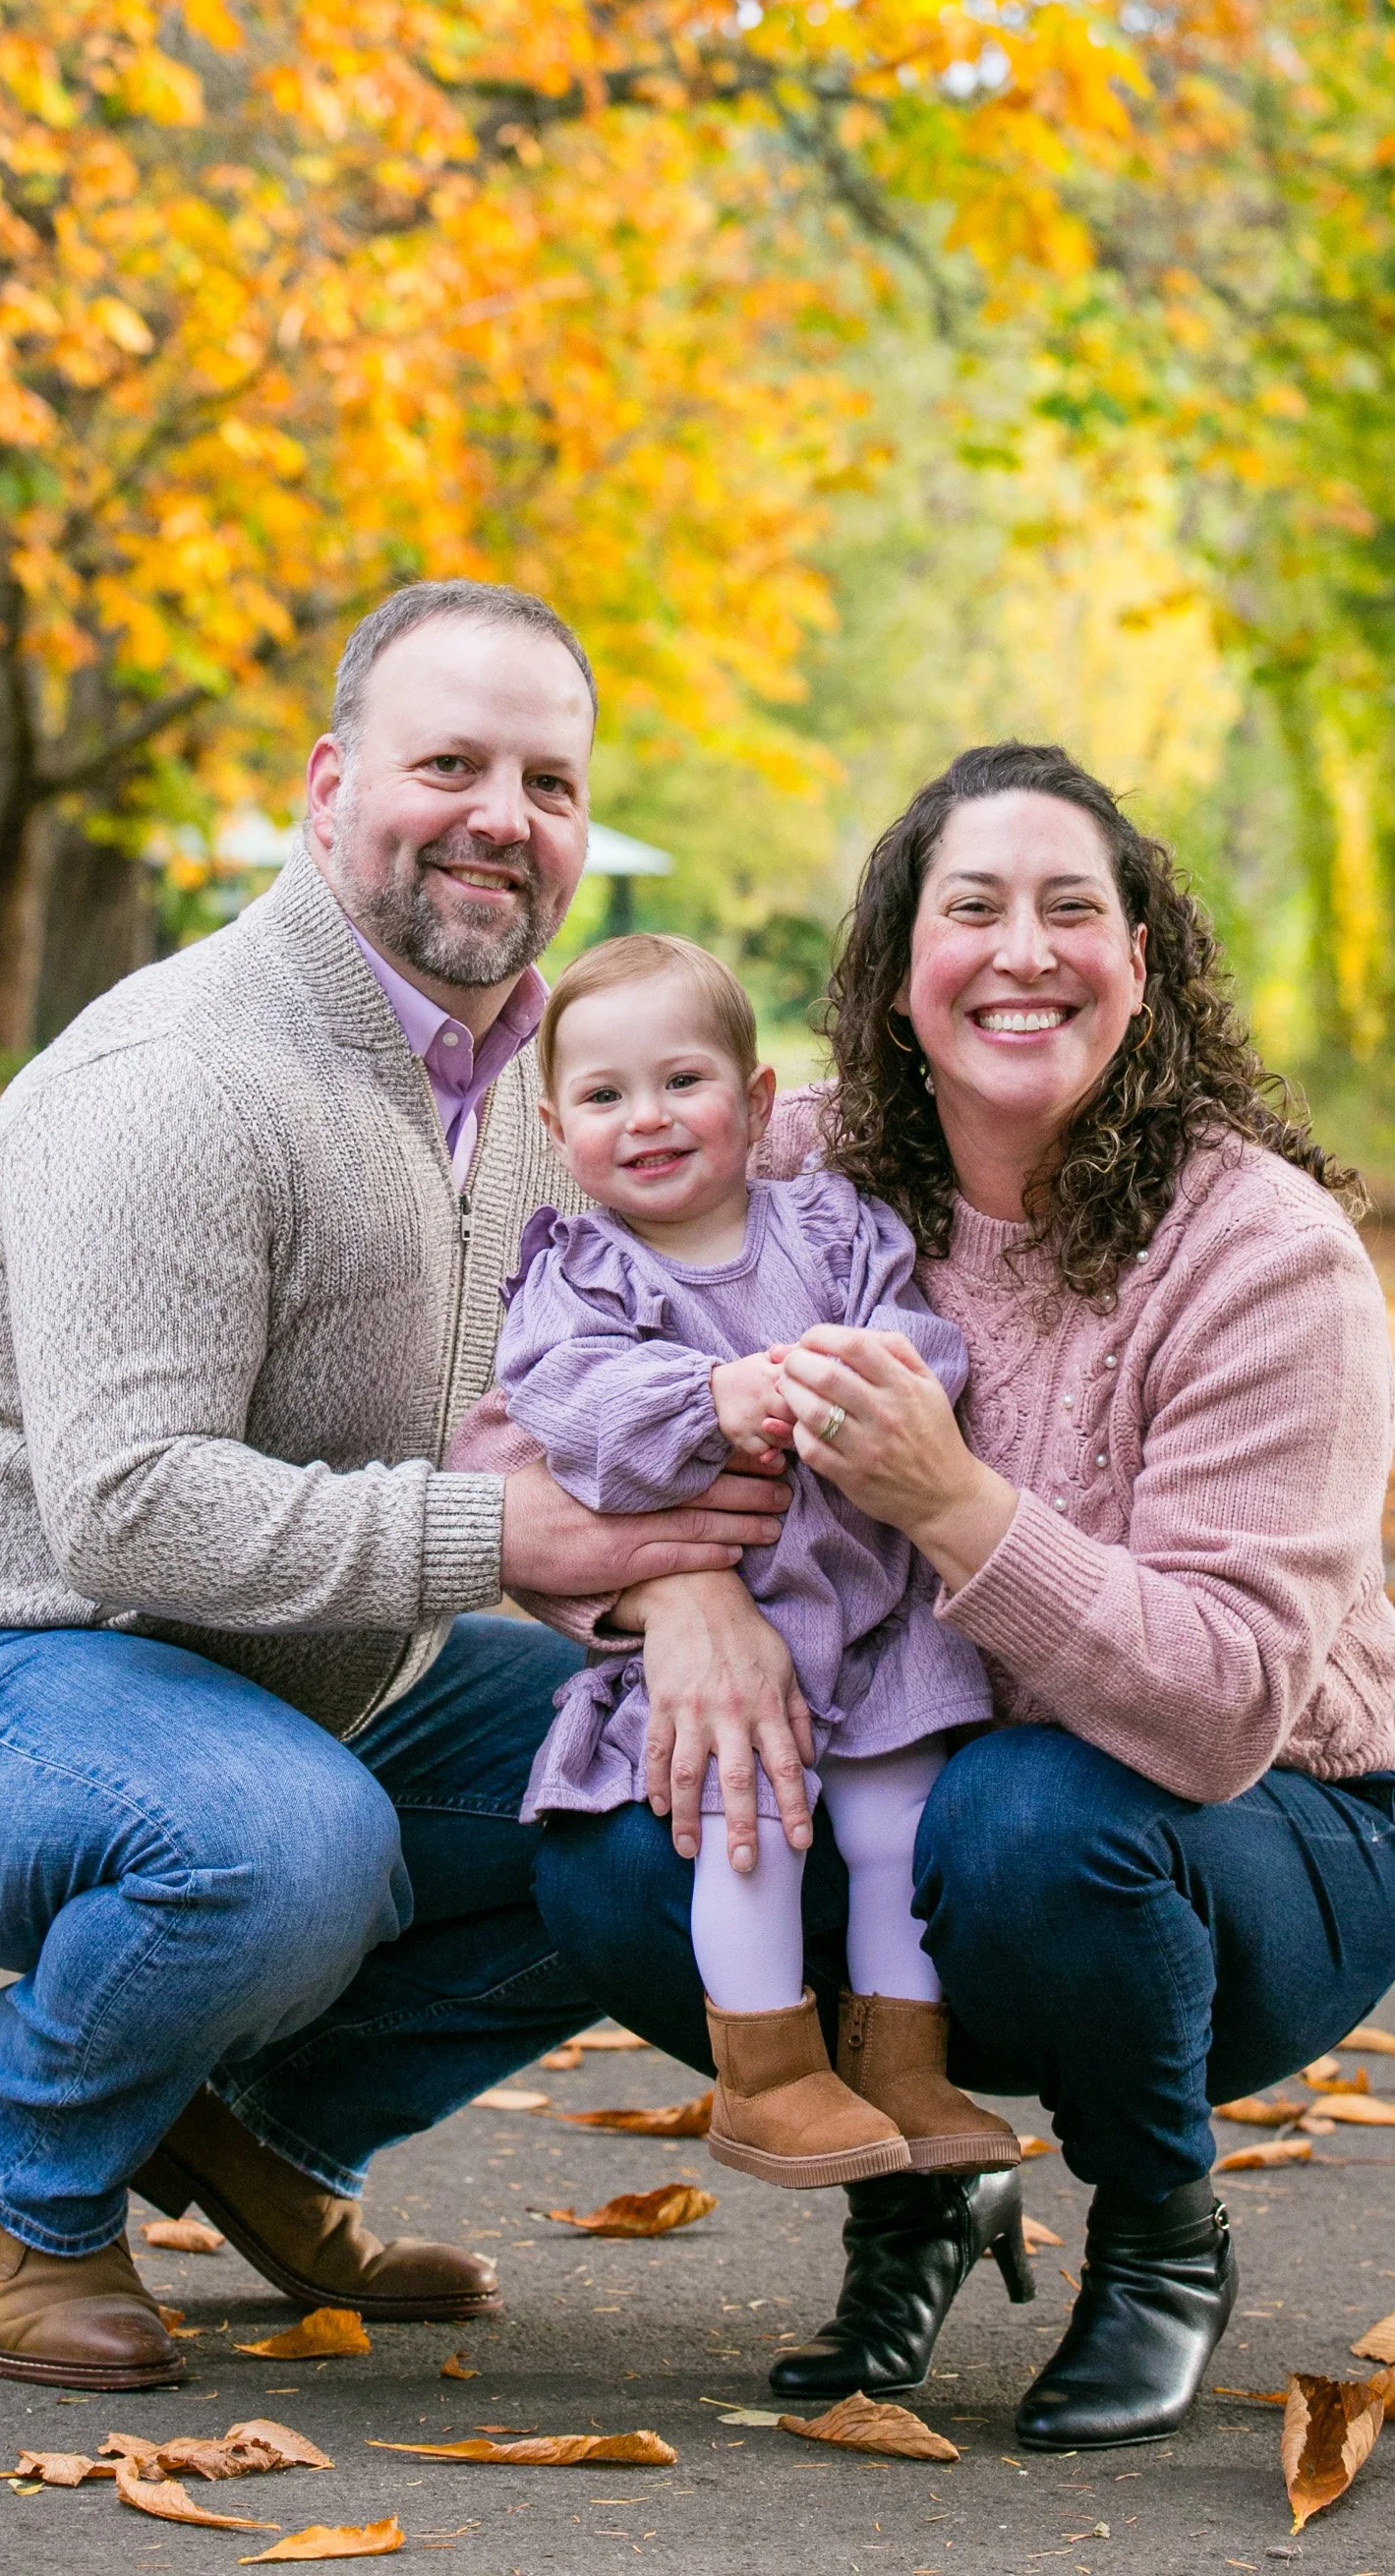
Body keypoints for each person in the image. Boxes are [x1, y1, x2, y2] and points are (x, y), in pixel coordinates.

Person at [0, 579, 789, 2393]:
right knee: (283, 1847)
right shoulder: (178, 1080)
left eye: (548, 781)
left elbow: (785, 1184)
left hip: (282, 1684)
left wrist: (688, 1593)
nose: (504, 813)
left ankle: (258, 2133)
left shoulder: (550, 1080)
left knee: (669, 1767)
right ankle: (22, 2156)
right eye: (450, 762)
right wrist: (509, 1536)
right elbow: (130, 1509)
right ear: (330, 788)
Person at [526, 740, 1395, 2451]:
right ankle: (914, 2180)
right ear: (896, 968)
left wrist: (953, 1502)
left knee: (1019, 1815)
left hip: (1259, 1838)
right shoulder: (785, 1166)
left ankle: (1162, 2233)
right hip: (910, 1795)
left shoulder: (1257, 1249)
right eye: (973, 909)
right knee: (614, 1828)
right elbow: (516, 1411)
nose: (1023, 951)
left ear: (1140, 963)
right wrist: (675, 1598)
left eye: (1071, 909)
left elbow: (1225, 1699)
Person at [489, 932, 1021, 2199]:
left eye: (683, 1082)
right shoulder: (578, 1276)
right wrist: (711, 1396)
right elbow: (573, 1410)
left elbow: (922, 1340)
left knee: (900, 1825)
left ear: (759, 1099)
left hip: (878, 1616)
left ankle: (901, 2058)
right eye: (607, 1097)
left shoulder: (833, 1228)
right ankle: (767, 2071)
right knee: (755, 1829)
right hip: (744, 1638)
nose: (649, 1119)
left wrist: (864, 1389)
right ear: (560, 1125)